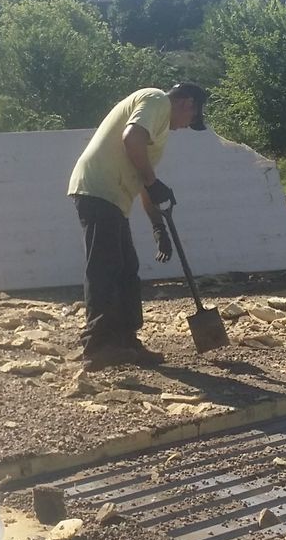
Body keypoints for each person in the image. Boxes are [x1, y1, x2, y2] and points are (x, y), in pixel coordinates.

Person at [67, 82, 209, 369]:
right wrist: (154, 184)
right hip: (98, 189)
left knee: (127, 269)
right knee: (105, 267)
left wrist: (159, 227)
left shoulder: (159, 126)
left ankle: (125, 342)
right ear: (186, 103)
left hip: (113, 197)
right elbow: (130, 138)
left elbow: (143, 177)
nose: (185, 126)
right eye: (191, 119)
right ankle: (97, 346)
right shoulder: (156, 100)